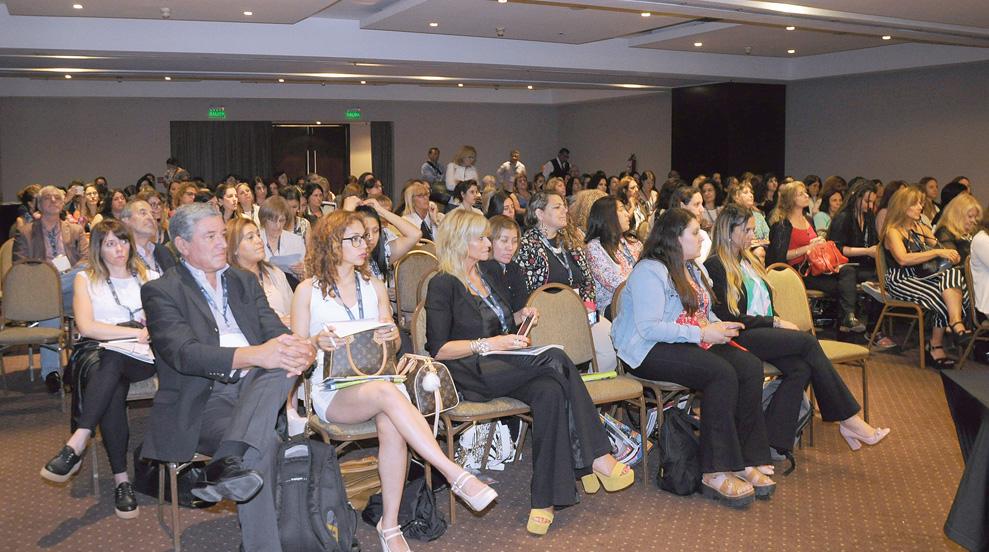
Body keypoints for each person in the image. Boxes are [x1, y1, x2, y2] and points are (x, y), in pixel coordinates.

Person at [292, 211, 496, 551]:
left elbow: (395, 340)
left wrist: (391, 334)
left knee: (391, 422)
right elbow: (297, 350)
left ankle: (391, 525)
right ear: (331, 244)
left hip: (379, 381)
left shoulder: (372, 286)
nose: (366, 245)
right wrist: (316, 343)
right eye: (354, 239)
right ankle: (454, 473)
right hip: (333, 392)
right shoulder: (307, 292)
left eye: (366, 238)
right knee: (388, 395)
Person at [426, 209, 632, 535]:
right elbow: (438, 348)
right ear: (460, 241)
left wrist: (520, 315)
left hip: (504, 366)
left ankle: (544, 500)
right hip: (467, 371)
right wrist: (489, 342)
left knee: (550, 390)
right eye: (480, 237)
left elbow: (502, 322)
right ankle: (596, 453)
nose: (487, 243)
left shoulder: (488, 272)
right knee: (555, 358)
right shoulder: (443, 283)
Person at [140, 203, 316, 552]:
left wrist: (302, 348)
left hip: (258, 388)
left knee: (283, 361)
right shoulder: (162, 291)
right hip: (203, 402)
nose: (222, 243)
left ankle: (225, 460)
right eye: (210, 237)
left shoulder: (243, 280)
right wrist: (257, 355)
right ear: (182, 245)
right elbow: (184, 353)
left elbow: (273, 330)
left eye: (222, 234)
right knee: (260, 445)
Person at [611, 207, 773, 508]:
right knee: (720, 373)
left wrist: (716, 326)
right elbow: (649, 328)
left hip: (682, 341)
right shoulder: (651, 269)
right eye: (695, 233)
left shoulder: (692, 267)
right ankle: (714, 469)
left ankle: (745, 459)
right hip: (646, 350)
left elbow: (702, 311)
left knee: (749, 366)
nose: (702, 238)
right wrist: (702, 334)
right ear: (675, 238)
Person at [705, 205, 890, 466]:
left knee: (801, 368)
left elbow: (764, 302)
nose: (752, 234)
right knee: (807, 341)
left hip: (764, 332)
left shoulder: (748, 260)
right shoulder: (715, 266)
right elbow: (728, 317)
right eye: (746, 230)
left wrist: (775, 320)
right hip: (741, 334)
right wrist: (775, 322)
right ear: (728, 231)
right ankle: (848, 419)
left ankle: (774, 441)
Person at [39, 220, 159, 518]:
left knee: (113, 361)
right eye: (109, 244)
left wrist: (141, 333)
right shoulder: (86, 279)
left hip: (143, 356)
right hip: (98, 353)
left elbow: (166, 323)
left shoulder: (151, 278)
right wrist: (131, 332)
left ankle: (77, 440)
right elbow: (86, 327)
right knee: (111, 382)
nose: (118, 249)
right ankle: (122, 480)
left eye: (122, 241)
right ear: (98, 249)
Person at [516, 192, 617, 371]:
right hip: (547, 314)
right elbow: (527, 291)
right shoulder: (527, 246)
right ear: (539, 214)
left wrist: (588, 307)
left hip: (580, 309)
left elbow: (587, 280)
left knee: (611, 341)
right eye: (557, 207)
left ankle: (587, 388)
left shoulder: (570, 241)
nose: (565, 210)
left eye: (564, 206)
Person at [880, 186, 968, 369]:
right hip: (901, 279)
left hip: (924, 276)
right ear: (903, 207)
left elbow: (940, 250)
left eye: (921, 203)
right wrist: (937, 252)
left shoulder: (921, 227)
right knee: (942, 295)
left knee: (953, 276)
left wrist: (951, 254)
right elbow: (903, 260)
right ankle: (938, 343)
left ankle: (954, 321)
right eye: (916, 204)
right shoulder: (893, 231)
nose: (921, 207)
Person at [13, 185, 89, 393]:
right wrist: (48, 276)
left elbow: (86, 260)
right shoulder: (26, 232)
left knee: (84, 271)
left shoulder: (75, 230)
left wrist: (63, 276)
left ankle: (51, 373)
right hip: (39, 292)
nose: (54, 200)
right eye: (48, 197)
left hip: (71, 291)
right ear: (39, 203)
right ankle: (70, 366)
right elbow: (20, 268)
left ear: (63, 203)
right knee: (50, 299)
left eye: (58, 197)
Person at [767, 181, 866, 333]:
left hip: (815, 266)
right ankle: (845, 323)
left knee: (848, 271)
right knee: (845, 289)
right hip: (797, 271)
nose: (807, 195)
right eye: (801, 194)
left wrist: (819, 243)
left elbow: (811, 247)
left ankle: (847, 317)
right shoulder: (783, 224)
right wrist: (807, 248)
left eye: (806, 192)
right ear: (791, 199)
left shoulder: (807, 220)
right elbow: (780, 255)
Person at [826, 180, 896, 348]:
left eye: (873, 202)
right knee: (864, 276)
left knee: (884, 278)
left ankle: (873, 329)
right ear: (856, 198)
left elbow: (873, 244)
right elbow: (837, 249)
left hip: (862, 265)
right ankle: (858, 326)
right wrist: (867, 251)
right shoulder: (843, 218)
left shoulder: (869, 216)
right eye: (867, 201)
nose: (871, 205)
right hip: (843, 267)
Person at [227, 217, 293, 325]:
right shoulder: (229, 282)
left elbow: (293, 310)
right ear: (234, 248)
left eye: (258, 235)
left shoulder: (275, 272)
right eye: (250, 237)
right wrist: (275, 324)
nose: (259, 241)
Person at [584, 196, 641, 319]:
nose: (627, 214)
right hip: (612, 307)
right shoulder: (594, 248)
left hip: (640, 300)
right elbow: (615, 283)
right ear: (607, 216)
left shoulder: (634, 244)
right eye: (621, 210)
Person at [353, 197, 422, 283]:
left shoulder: (383, 253)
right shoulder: (346, 261)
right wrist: (346, 211)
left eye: (375, 231)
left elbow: (415, 234)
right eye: (366, 231)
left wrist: (381, 211)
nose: (371, 237)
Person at [479, 215, 527, 312]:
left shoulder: (514, 268)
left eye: (514, 241)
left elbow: (520, 307)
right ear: (489, 240)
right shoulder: (481, 269)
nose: (510, 247)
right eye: (504, 240)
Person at [120, 199, 178, 275]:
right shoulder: (121, 254)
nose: (150, 218)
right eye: (143, 213)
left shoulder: (164, 252)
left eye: (153, 215)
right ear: (126, 221)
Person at [258, 196, 306, 283]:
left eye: (281, 220)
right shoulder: (256, 239)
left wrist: (301, 272)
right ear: (264, 220)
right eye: (273, 221)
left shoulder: (296, 241)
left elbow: (305, 278)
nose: (278, 226)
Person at [669, 185, 712, 262]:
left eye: (702, 204)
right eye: (696, 204)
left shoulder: (704, 236)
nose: (702, 209)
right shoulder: (668, 239)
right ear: (682, 206)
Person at [934, 192, 982, 262]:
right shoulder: (944, 233)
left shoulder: (973, 232)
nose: (973, 221)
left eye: (975, 217)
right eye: (970, 216)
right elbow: (952, 261)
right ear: (957, 214)